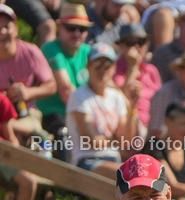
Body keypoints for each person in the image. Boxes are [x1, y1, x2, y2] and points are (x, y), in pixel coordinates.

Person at [66, 43, 139, 177]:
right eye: (97, 63)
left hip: (113, 161)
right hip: (86, 162)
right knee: (129, 175)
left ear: (114, 68)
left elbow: (126, 138)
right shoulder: (78, 96)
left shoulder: (116, 96)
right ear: (88, 66)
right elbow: (90, 141)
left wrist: (133, 106)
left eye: (107, 64)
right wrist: (115, 140)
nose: (103, 69)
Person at [0, 4, 57, 142]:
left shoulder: (31, 51)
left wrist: (27, 92)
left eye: (7, 27)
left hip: (27, 113)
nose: (2, 32)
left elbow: (51, 85)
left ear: (15, 29)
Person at [38, 3, 91, 138]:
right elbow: (66, 91)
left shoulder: (89, 52)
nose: (77, 33)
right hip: (53, 115)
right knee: (64, 134)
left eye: (82, 29)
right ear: (59, 27)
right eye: (71, 28)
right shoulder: (50, 49)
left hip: (82, 114)